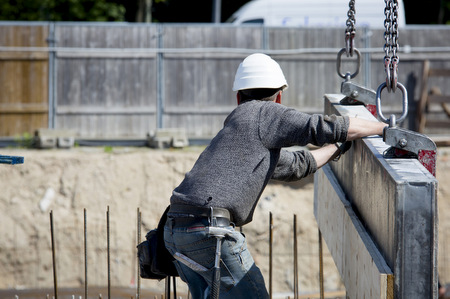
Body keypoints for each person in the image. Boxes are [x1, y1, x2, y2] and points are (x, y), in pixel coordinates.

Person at [163, 53, 387, 298]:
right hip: (209, 233)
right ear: (279, 98)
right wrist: (385, 128)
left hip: (176, 232)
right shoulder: (264, 113)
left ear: (238, 96)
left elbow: (297, 166)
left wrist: (337, 149)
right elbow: (326, 127)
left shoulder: (241, 137)